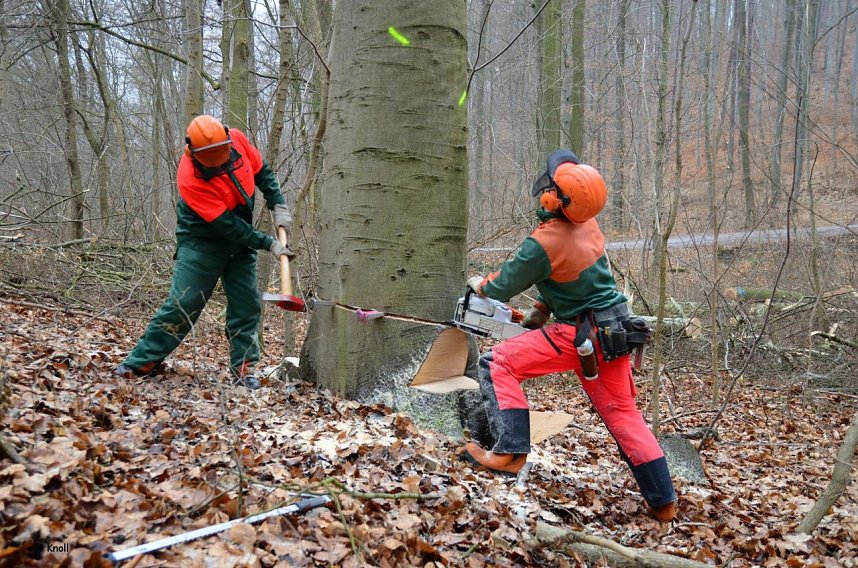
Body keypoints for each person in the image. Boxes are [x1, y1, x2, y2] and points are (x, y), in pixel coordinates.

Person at [461, 149, 678, 522]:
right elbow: (573, 276)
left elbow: (502, 286)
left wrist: (479, 285)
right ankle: (664, 502)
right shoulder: (588, 227)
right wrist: (541, 312)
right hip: (616, 329)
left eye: (550, 186)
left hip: (582, 333)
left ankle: (509, 454)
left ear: (554, 199)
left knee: (497, 362)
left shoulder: (542, 243)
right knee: (624, 416)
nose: (544, 188)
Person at [114, 115, 294, 390]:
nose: (220, 162)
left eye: (222, 154)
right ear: (194, 152)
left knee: (246, 305)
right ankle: (142, 361)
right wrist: (268, 242)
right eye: (213, 158)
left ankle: (244, 369)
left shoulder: (238, 140)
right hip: (202, 241)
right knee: (183, 303)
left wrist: (277, 202)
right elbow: (227, 226)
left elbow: (263, 172)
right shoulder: (190, 178)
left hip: (239, 240)